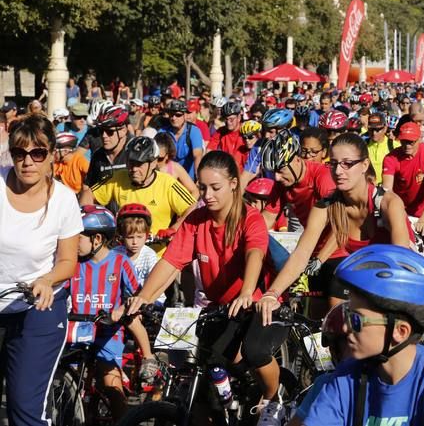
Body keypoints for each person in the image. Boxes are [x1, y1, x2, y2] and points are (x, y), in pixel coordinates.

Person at [127, 151, 289, 425]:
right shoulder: (195, 220)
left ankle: (273, 399)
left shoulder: (250, 218)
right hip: (219, 307)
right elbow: (171, 262)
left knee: (254, 352)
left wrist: (248, 291)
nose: (207, 194)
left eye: (215, 187)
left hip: (258, 301)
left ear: (234, 184)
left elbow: (255, 254)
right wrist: (142, 297)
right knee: (206, 375)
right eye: (202, 187)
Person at [298, 245, 424, 425]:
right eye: (346, 316)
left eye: (356, 320)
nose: (345, 328)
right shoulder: (346, 377)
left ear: (400, 331)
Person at [257, 133, 415, 318]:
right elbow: (301, 253)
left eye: (347, 164)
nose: (339, 171)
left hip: (402, 279)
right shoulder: (326, 205)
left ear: (364, 165)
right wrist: (272, 294)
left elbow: (401, 261)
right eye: (333, 164)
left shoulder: (388, 203)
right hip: (364, 273)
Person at [0, 114, 83, 426]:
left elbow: (67, 262)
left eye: (38, 153)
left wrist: (47, 280)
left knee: (25, 409)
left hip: (39, 308)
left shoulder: (64, 200)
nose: (27, 162)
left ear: (51, 155)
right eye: (20, 153)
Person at [69, 205, 155, 420]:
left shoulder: (120, 262)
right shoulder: (72, 264)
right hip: (77, 331)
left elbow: (137, 295)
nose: (72, 243)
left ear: (96, 239)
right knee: (69, 380)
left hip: (108, 333)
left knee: (111, 385)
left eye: (77, 237)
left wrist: (122, 308)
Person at [83, 136, 196, 254]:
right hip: (123, 254)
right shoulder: (118, 177)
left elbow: (193, 206)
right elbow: (88, 194)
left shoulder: (167, 183)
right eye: (131, 163)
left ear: (153, 163)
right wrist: (90, 223)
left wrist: (173, 228)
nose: (134, 169)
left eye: (139, 164)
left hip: (157, 255)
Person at [259, 130, 336, 231]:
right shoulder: (282, 182)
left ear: (297, 159)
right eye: (274, 172)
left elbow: (339, 225)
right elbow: (267, 218)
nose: (277, 177)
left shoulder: (323, 176)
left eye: (281, 170)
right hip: (313, 238)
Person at [382, 122, 424, 218]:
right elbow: (387, 189)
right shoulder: (391, 158)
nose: (407, 145)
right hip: (400, 209)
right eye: (404, 141)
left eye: (411, 142)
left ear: (419, 139)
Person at [83, 104, 132, 194]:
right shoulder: (97, 156)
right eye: (101, 131)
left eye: (110, 132)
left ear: (123, 130)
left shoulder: (134, 153)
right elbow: (87, 187)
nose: (104, 136)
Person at [157, 100, 204, 180]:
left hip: (189, 177)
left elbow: (197, 155)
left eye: (178, 115)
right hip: (168, 177)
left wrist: (198, 179)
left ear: (185, 116)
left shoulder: (193, 131)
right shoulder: (163, 131)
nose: (174, 118)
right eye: (171, 115)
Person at [154, 132, 200, 199]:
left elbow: (195, 191)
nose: (155, 162)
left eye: (160, 158)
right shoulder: (146, 167)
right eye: (153, 157)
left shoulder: (175, 168)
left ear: (168, 155)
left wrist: (186, 208)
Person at [366, 113, 399, 184]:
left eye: (377, 130)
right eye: (371, 129)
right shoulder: (362, 146)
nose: (374, 133)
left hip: (388, 190)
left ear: (385, 128)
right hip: (368, 189)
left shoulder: (395, 146)